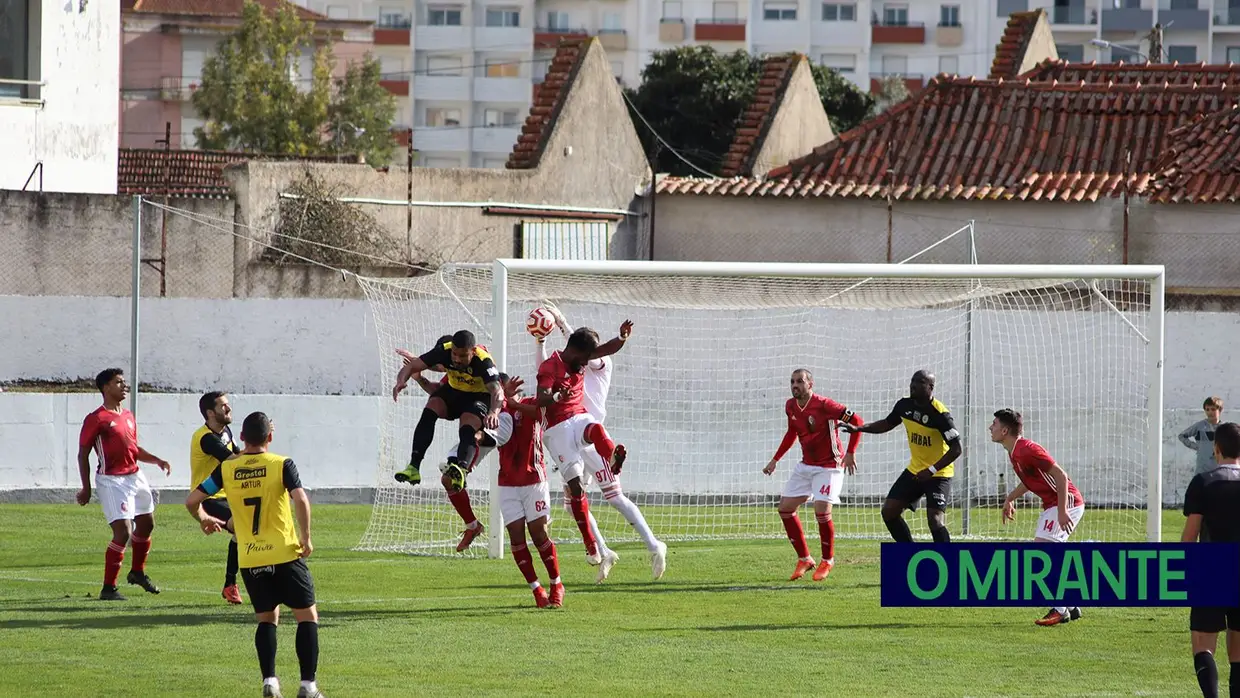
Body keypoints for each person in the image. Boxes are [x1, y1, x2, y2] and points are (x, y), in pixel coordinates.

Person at [186, 412, 324, 698]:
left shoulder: (227, 468)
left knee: (266, 619)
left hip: (250, 558)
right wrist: (306, 537)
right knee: (307, 617)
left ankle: (270, 681)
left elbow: (192, 500)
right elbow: (300, 498)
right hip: (285, 553)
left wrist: (204, 519)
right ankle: (308, 687)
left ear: (243, 438)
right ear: (270, 438)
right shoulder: (281, 464)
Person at [536, 303, 667, 582]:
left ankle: (655, 545)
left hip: (590, 434)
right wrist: (548, 336)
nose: (587, 361)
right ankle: (602, 550)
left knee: (614, 496)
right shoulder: (570, 361)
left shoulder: (599, 364)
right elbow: (570, 354)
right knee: (573, 502)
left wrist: (562, 323)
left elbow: (599, 351)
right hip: (567, 432)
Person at [536, 323, 631, 566]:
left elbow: (608, 348)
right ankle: (590, 543)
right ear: (577, 353)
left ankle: (611, 457)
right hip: (556, 430)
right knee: (576, 488)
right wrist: (558, 396)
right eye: (589, 356)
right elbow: (541, 397)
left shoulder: (581, 357)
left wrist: (621, 337)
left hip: (578, 416)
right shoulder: (550, 367)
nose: (590, 361)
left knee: (596, 428)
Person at [76, 367, 172, 601]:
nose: (124, 386)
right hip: (112, 480)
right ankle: (108, 588)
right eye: (118, 382)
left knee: (147, 523)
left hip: (135, 476)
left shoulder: (128, 415)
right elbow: (83, 454)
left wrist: (156, 460)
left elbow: (133, 449)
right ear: (106, 387)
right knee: (123, 532)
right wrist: (86, 488)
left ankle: (137, 572)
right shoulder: (96, 418)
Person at [989, 408, 1086, 626]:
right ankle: (1070, 604)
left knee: (1041, 555)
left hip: (1066, 503)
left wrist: (1062, 511)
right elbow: (1030, 480)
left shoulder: (1028, 450)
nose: (990, 427)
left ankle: (1060, 610)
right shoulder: (1014, 451)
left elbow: (1060, 476)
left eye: (993, 424)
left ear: (1005, 430)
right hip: (1053, 505)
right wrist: (1010, 498)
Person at [763, 369, 861, 582]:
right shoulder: (790, 406)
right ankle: (805, 559)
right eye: (792, 382)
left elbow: (857, 420)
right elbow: (791, 433)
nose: (795, 385)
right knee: (785, 509)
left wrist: (851, 452)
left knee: (821, 510)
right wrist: (775, 460)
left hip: (830, 466)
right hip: (806, 465)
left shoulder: (825, 405)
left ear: (810, 384)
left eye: (799, 381)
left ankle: (828, 560)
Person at [841, 370, 961, 544]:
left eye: (919, 382)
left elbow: (956, 449)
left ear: (930, 387)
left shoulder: (940, 414)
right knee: (889, 511)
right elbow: (887, 424)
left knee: (934, 520)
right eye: (912, 381)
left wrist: (932, 469)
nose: (913, 385)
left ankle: (948, 564)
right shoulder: (904, 406)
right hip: (915, 470)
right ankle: (909, 554)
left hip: (939, 473)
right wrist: (859, 428)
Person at [391, 330, 503, 488]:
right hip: (454, 392)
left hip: (478, 397)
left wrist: (493, 412)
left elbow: (497, 390)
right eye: (455, 354)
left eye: (463, 356)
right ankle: (414, 467)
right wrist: (400, 381)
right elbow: (413, 366)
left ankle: (462, 470)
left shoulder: (483, 361)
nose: (457, 359)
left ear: (473, 351)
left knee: (467, 423)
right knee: (432, 406)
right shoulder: (444, 350)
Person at [490, 375, 565, 607]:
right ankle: (536, 589)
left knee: (539, 533)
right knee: (516, 536)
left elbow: (545, 413)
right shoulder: (496, 414)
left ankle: (556, 583)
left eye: (497, 390)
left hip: (534, 480)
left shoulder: (531, 403)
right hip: (508, 484)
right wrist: (502, 405)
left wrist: (515, 404)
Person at [1181, 421, 1240, 698]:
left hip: (1210, 570)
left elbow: (1190, 536)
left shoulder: (1203, 482)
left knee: (1203, 646)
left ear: (1216, 449)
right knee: (1238, 652)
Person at [190, 390, 243, 604]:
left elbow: (238, 454)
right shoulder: (206, 438)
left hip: (228, 496)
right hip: (207, 498)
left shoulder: (225, 431)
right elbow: (233, 460)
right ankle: (231, 585)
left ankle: (233, 584)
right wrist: (260, 442)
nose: (228, 408)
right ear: (210, 413)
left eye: (228, 404)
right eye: (223, 406)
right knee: (242, 525)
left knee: (248, 527)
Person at [1180, 397, 1224, 477]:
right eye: (1207, 409)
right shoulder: (1199, 426)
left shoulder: (1224, 428)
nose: (1210, 412)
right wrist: (1196, 446)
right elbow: (1182, 436)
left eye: (1213, 409)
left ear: (1220, 410)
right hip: (1202, 468)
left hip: (1218, 468)